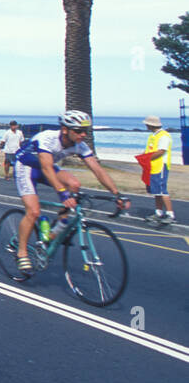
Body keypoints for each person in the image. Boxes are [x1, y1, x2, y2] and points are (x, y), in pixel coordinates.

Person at [12, 111, 130, 274]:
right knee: (33, 211)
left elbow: (97, 169)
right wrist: (63, 194)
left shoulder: (80, 145)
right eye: (78, 131)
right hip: (26, 167)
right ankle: (22, 252)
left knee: (74, 184)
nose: (83, 135)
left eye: (86, 131)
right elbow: (46, 168)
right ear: (65, 129)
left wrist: (117, 194)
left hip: (46, 167)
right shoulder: (47, 138)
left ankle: (58, 227)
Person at [143, 115, 176, 226]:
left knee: (162, 190)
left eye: (147, 124)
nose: (146, 126)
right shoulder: (153, 136)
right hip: (153, 166)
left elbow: (161, 151)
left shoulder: (164, 136)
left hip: (161, 165)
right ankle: (158, 212)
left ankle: (170, 214)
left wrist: (147, 158)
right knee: (156, 190)